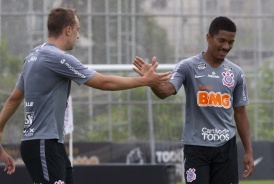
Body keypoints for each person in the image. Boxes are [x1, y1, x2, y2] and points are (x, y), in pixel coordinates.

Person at [0, 7, 171, 184]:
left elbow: (14, 99)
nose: (78, 35)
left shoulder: (32, 56)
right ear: (68, 30)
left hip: (48, 144)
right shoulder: (58, 57)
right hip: (43, 144)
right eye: (77, 29)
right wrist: (145, 81)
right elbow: (104, 83)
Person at [133, 16, 254, 184]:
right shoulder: (187, 66)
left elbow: (240, 113)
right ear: (208, 38)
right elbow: (165, 91)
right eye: (221, 40)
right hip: (196, 148)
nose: (226, 46)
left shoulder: (236, 72)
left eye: (230, 42)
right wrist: (151, 81)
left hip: (226, 147)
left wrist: (248, 151)